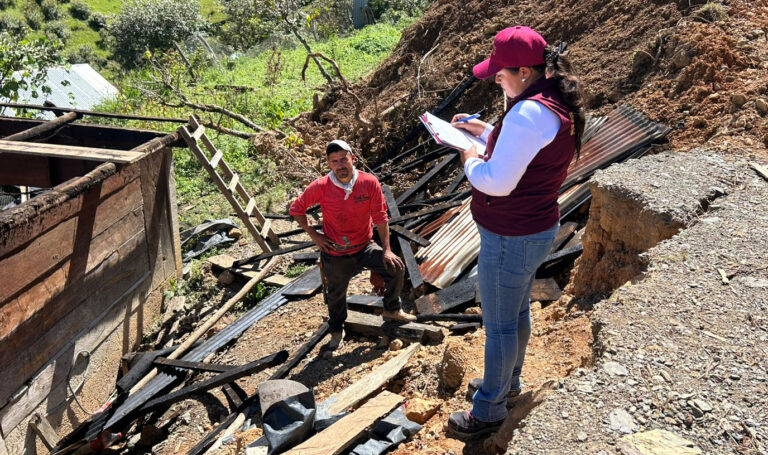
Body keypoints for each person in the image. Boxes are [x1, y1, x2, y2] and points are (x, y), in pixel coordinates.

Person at [446, 26, 586, 440]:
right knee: (516, 312)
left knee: (499, 324)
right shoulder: (550, 100)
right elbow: (523, 148)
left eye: (500, 73)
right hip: (533, 228)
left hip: (511, 236)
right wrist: (486, 132)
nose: (496, 80)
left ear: (525, 72)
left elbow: (496, 181)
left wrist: (468, 157)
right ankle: (508, 382)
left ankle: (488, 409)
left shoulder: (527, 113)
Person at [289, 139, 416, 351]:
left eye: (343, 159)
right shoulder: (321, 186)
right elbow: (296, 209)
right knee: (335, 294)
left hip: (364, 246)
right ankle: (337, 329)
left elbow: (381, 217)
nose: (340, 165)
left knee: (396, 267)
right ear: (329, 164)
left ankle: (392, 309)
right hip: (336, 251)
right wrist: (314, 235)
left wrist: (386, 250)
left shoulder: (369, 182)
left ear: (352, 158)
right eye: (334, 161)